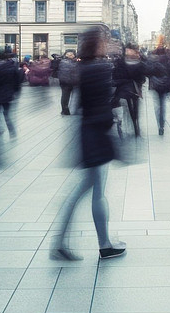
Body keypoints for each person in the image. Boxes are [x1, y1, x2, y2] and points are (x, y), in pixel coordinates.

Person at [51, 26, 126, 261]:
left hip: (88, 133)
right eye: (105, 40)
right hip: (97, 135)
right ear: (98, 43)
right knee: (94, 191)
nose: (108, 43)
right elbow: (101, 105)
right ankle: (102, 244)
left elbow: (80, 105)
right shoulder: (101, 68)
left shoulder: (83, 67)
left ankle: (64, 241)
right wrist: (114, 132)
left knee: (88, 189)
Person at [113, 44, 147, 137]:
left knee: (135, 108)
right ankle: (130, 125)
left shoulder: (140, 62)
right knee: (127, 107)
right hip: (124, 89)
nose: (128, 52)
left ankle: (135, 124)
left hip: (135, 89)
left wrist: (138, 81)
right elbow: (116, 76)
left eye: (130, 50)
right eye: (127, 50)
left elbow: (143, 77)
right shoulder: (120, 62)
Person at [148, 47, 170, 136]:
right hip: (165, 85)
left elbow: (149, 71)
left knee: (157, 105)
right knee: (163, 104)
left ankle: (160, 124)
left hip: (156, 85)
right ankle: (162, 124)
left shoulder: (154, 60)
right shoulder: (169, 60)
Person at [57, 49, 80, 115]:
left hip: (63, 82)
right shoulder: (75, 62)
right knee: (75, 96)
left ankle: (64, 110)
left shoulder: (61, 61)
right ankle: (73, 110)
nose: (71, 55)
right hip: (73, 82)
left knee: (65, 96)